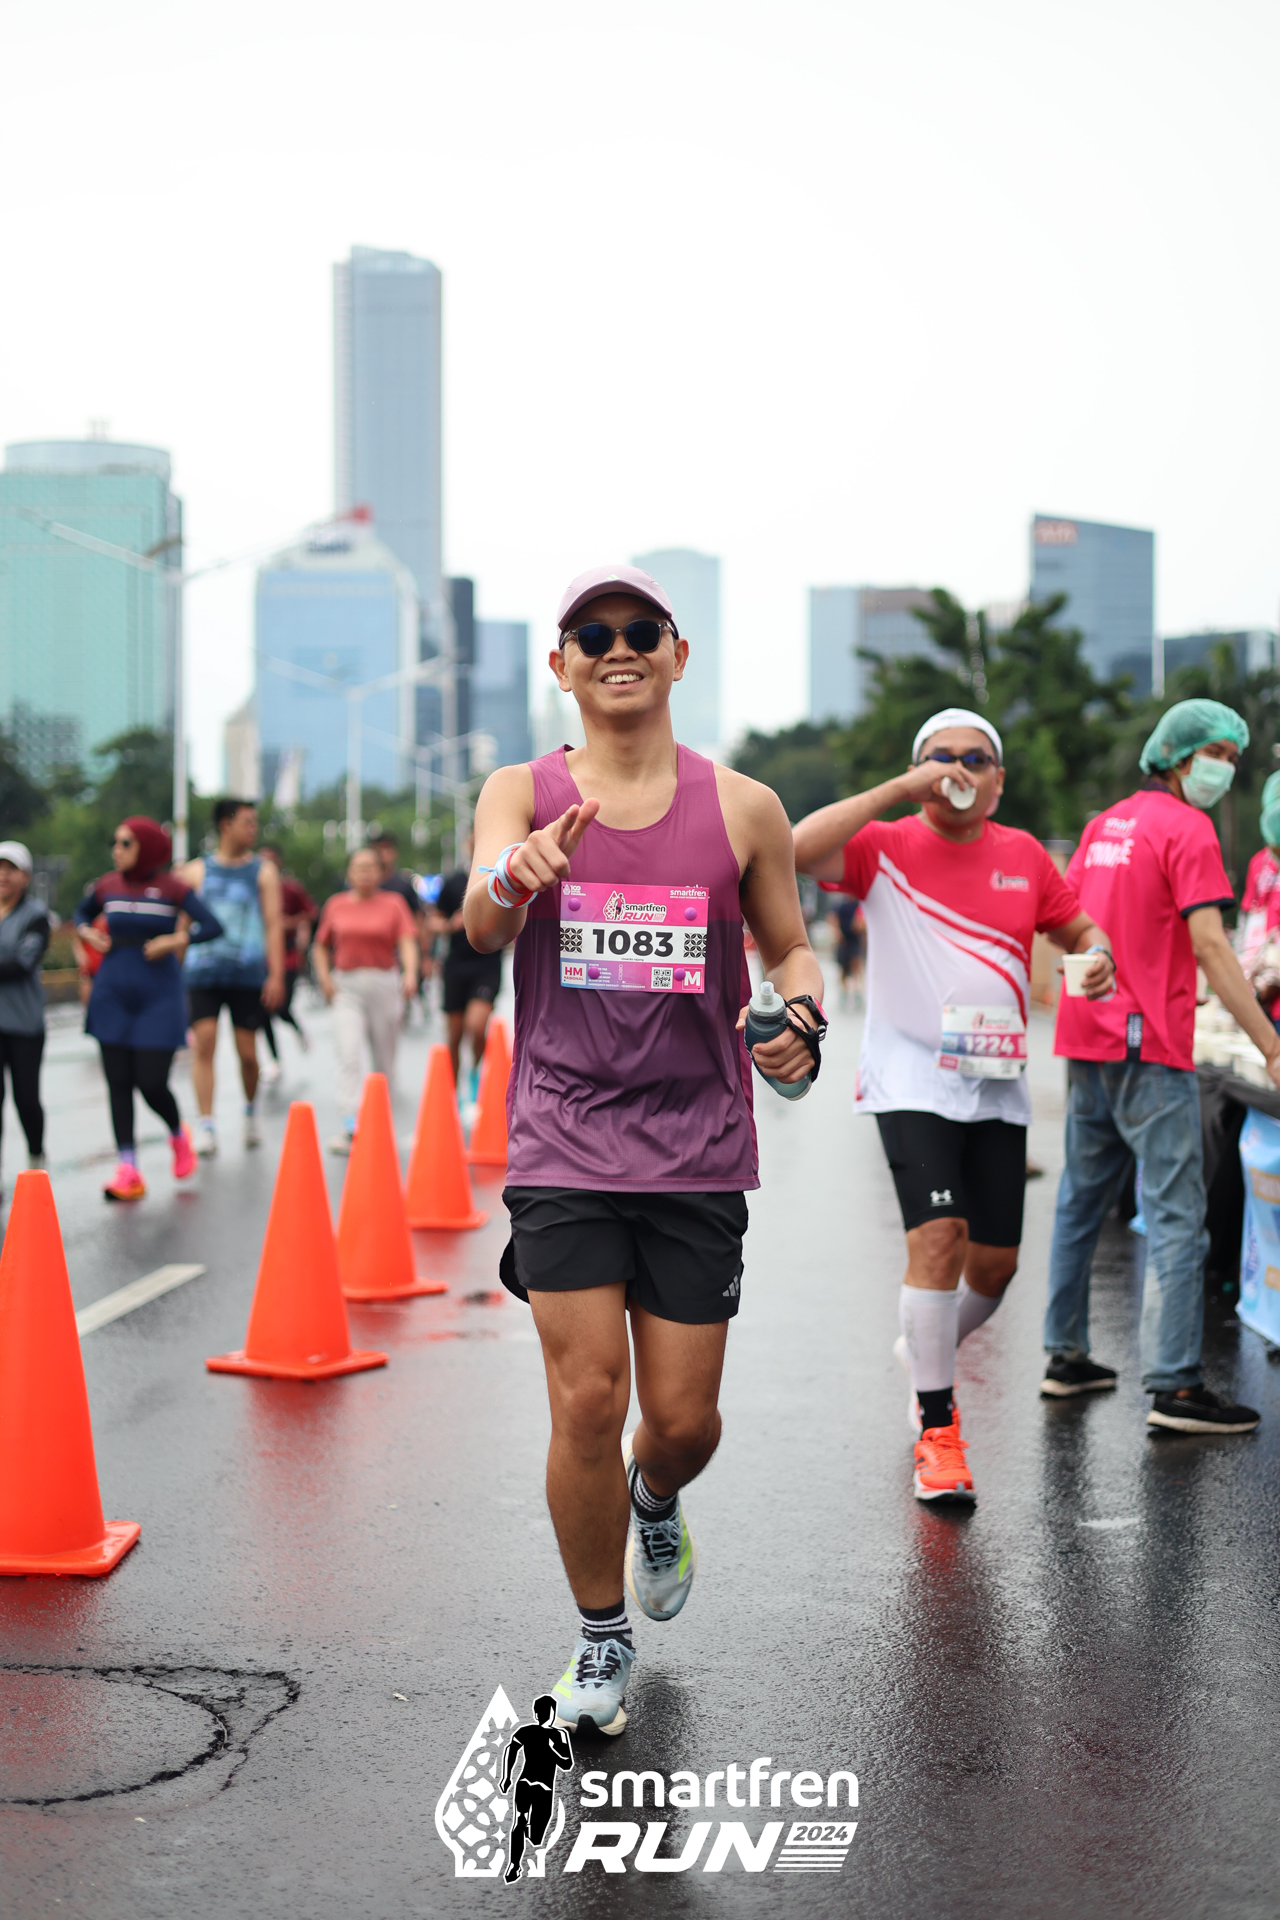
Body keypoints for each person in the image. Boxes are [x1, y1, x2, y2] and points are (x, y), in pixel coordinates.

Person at [465, 562, 825, 1738]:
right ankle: (599, 1641)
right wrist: (513, 875)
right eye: (591, 633)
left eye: (638, 630)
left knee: (679, 1421)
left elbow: (789, 949)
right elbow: (478, 920)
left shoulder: (743, 808)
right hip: (562, 1135)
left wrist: (799, 1016)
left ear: (676, 654)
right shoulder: (518, 791)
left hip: (695, 1145)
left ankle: (655, 1496)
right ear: (559, 666)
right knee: (585, 1397)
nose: (615, 647)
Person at [793, 707, 1115, 1505]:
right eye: (940, 756)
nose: (958, 769)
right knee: (938, 1239)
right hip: (910, 1079)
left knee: (994, 1268)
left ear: (998, 779)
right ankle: (938, 1431)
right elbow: (796, 847)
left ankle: (925, 1345)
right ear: (919, 768)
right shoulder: (884, 845)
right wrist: (899, 789)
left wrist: (1098, 954)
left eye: (975, 758)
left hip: (996, 1081)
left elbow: (1080, 929)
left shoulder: (1025, 854)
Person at [1042, 698, 1270, 1433]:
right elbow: (1211, 946)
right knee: (1176, 1217)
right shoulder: (1188, 828)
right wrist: (1271, 1043)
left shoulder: (1103, 826)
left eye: (1232, 758)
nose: (1224, 768)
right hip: (1150, 1044)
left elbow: (1073, 925)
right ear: (1177, 756)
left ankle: (1065, 1356)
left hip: (1089, 1035)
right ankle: (1176, 1387)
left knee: (1080, 1202)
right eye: (1218, 754)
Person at [75, 817, 222, 1202]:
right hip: (112, 991)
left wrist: (176, 939)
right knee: (118, 1083)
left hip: (159, 994)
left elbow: (212, 925)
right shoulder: (107, 885)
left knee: (152, 1081)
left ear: (148, 847)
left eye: (126, 843)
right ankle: (128, 1168)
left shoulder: (173, 887)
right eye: (115, 842)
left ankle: (177, 1134)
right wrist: (87, 931)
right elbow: (80, 913)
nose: (117, 850)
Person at [180, 799, 285, 1154]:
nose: (253, 829)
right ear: (226, 825)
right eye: (247, 822)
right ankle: (206, 1124)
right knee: (204, 1043)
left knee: (248, 1054)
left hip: (247, 974)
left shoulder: (263, 872)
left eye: (255, 822)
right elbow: (182, 927)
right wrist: (175, 973)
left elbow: (273, 924)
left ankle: (250, 1110)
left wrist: (276, 975)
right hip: (202, 972)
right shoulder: (196, 871)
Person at [312, 847, 420, 1153]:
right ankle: (351, 1125)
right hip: (346, 987)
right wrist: (324, 977)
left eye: (371, 867)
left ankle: (381, 1123)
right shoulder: (336, 905)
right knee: (348, 1053)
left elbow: (407, 940)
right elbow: (320, 945)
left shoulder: (393, 904)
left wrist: (410, 973)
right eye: (359, 867)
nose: (365, 873)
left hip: (384, 983)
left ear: (380, 872)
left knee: (384, 1059)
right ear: (349, 872)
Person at [433, 835, 503, 1099]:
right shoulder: (453, 882)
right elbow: (433, 921)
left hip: (487, 964)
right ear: (468, 843)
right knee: (454, 1034)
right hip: (456, 966)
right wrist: (449, 924)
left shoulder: (498, 877)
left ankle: (475, 1071)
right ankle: (453, 1092)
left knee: (477, 1025)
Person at [0, 841, 49, 1198]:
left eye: (11, 869)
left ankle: (36, 1158)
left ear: (26, 876)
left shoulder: (36, 916)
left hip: (24, 1024)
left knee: (26, 1099)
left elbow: (21, 964)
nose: (3, 875)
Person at [498, 1696, 572, 1884]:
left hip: (535, 1787)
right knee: (521, 1821)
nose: (547, 1715)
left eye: (548, 1712)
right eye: (545, 1712)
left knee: (534, 1835)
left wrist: (550, 1751)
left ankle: (527, 1833)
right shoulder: (535, 1732)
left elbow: (566, 1763)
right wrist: (506, 1776)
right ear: (540, 1714)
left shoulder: (555, 1734)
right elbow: (511, 1750)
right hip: (532, 1785)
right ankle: (514, 1865)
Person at [257, 844, 316, 1077]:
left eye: (270, 860)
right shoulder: (253, 889)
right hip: (261, 956)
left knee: (281, 1007)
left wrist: (291, 925)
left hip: (287, 955)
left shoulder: (291, 889)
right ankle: (274, 1059)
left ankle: (298, 1030)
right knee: (263, 1011)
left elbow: (309, 913)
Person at [827, 896, 865, 1006]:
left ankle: (857, 992)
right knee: (843, 968)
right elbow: (833, 919)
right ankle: (843, 992)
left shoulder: (859, 906)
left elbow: (862, 924)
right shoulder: (841, 906)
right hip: (844, 941)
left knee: (856, 965)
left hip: (855, 940)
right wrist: (837, 933)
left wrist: (860, 926)